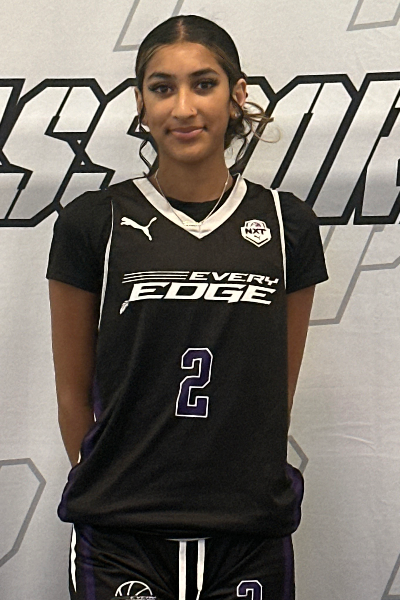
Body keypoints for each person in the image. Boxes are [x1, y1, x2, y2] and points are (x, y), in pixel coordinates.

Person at [47, 14, 328, 600]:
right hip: (121, 533)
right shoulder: (92, 222)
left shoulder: (287, 225)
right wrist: (113, 484)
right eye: (162, 87)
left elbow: (275, 391)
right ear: (140, 103)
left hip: (247, 529)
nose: (183, 108)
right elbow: (72, 395)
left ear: (237, 94)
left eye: (203, 84)